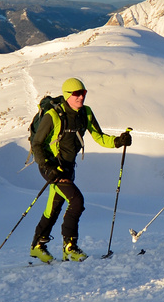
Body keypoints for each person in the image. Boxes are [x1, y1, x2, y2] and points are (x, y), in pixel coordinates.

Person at [30, 77, 131, 262]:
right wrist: (48, 166)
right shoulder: (53, 115)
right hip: (51, 167)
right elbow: (37, 144)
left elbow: (99, 137)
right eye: (76, 94)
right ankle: (70, 246)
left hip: (67, 168)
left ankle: (38, 245)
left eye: (83, 93)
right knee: (76, 201)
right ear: (67, 96)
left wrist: (118, 141)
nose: (80, 97)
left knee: (54, 206)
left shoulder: (86, 113)